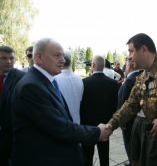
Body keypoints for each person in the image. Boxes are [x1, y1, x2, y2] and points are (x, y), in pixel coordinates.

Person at [11, 38, 110, 166]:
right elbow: (60, 127)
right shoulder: (31, 87)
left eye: (63, 56)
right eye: (57, 56)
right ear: (39, 57)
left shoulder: (45, 81)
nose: (63, 60)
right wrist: (97, 132)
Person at [106, 33, 157, 166]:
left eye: (131, 51)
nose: (129, 56)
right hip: (152, 146)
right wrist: (111, 125)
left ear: (144, 49)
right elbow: (131, 104)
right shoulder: (142, 77)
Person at [80, 55, 119, 166]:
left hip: (88, 127)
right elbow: (114, 106)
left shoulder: (84, 82)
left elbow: (81, 105)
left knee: (87, 157)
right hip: (105, 126)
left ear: (93, 65)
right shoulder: (112, 83)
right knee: (104, 156)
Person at [0, 46, 25, 166]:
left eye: (11, 58)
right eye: (3, 58)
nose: (8, 61)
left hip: (13, 137)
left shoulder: (21, 78)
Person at [117, 59, 140, 166]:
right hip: (137, 120)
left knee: (130, 146)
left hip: (129, 122)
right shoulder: (140, 76)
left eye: (125, 65)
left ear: (130, 66)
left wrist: (121, 120)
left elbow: (124, 103)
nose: (124, 68)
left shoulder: (130, 81)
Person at [55, 49, 84, 124]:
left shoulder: (55, 80)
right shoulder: (79, 79)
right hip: (77, 124)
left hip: (62, 125)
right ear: (71, 61)